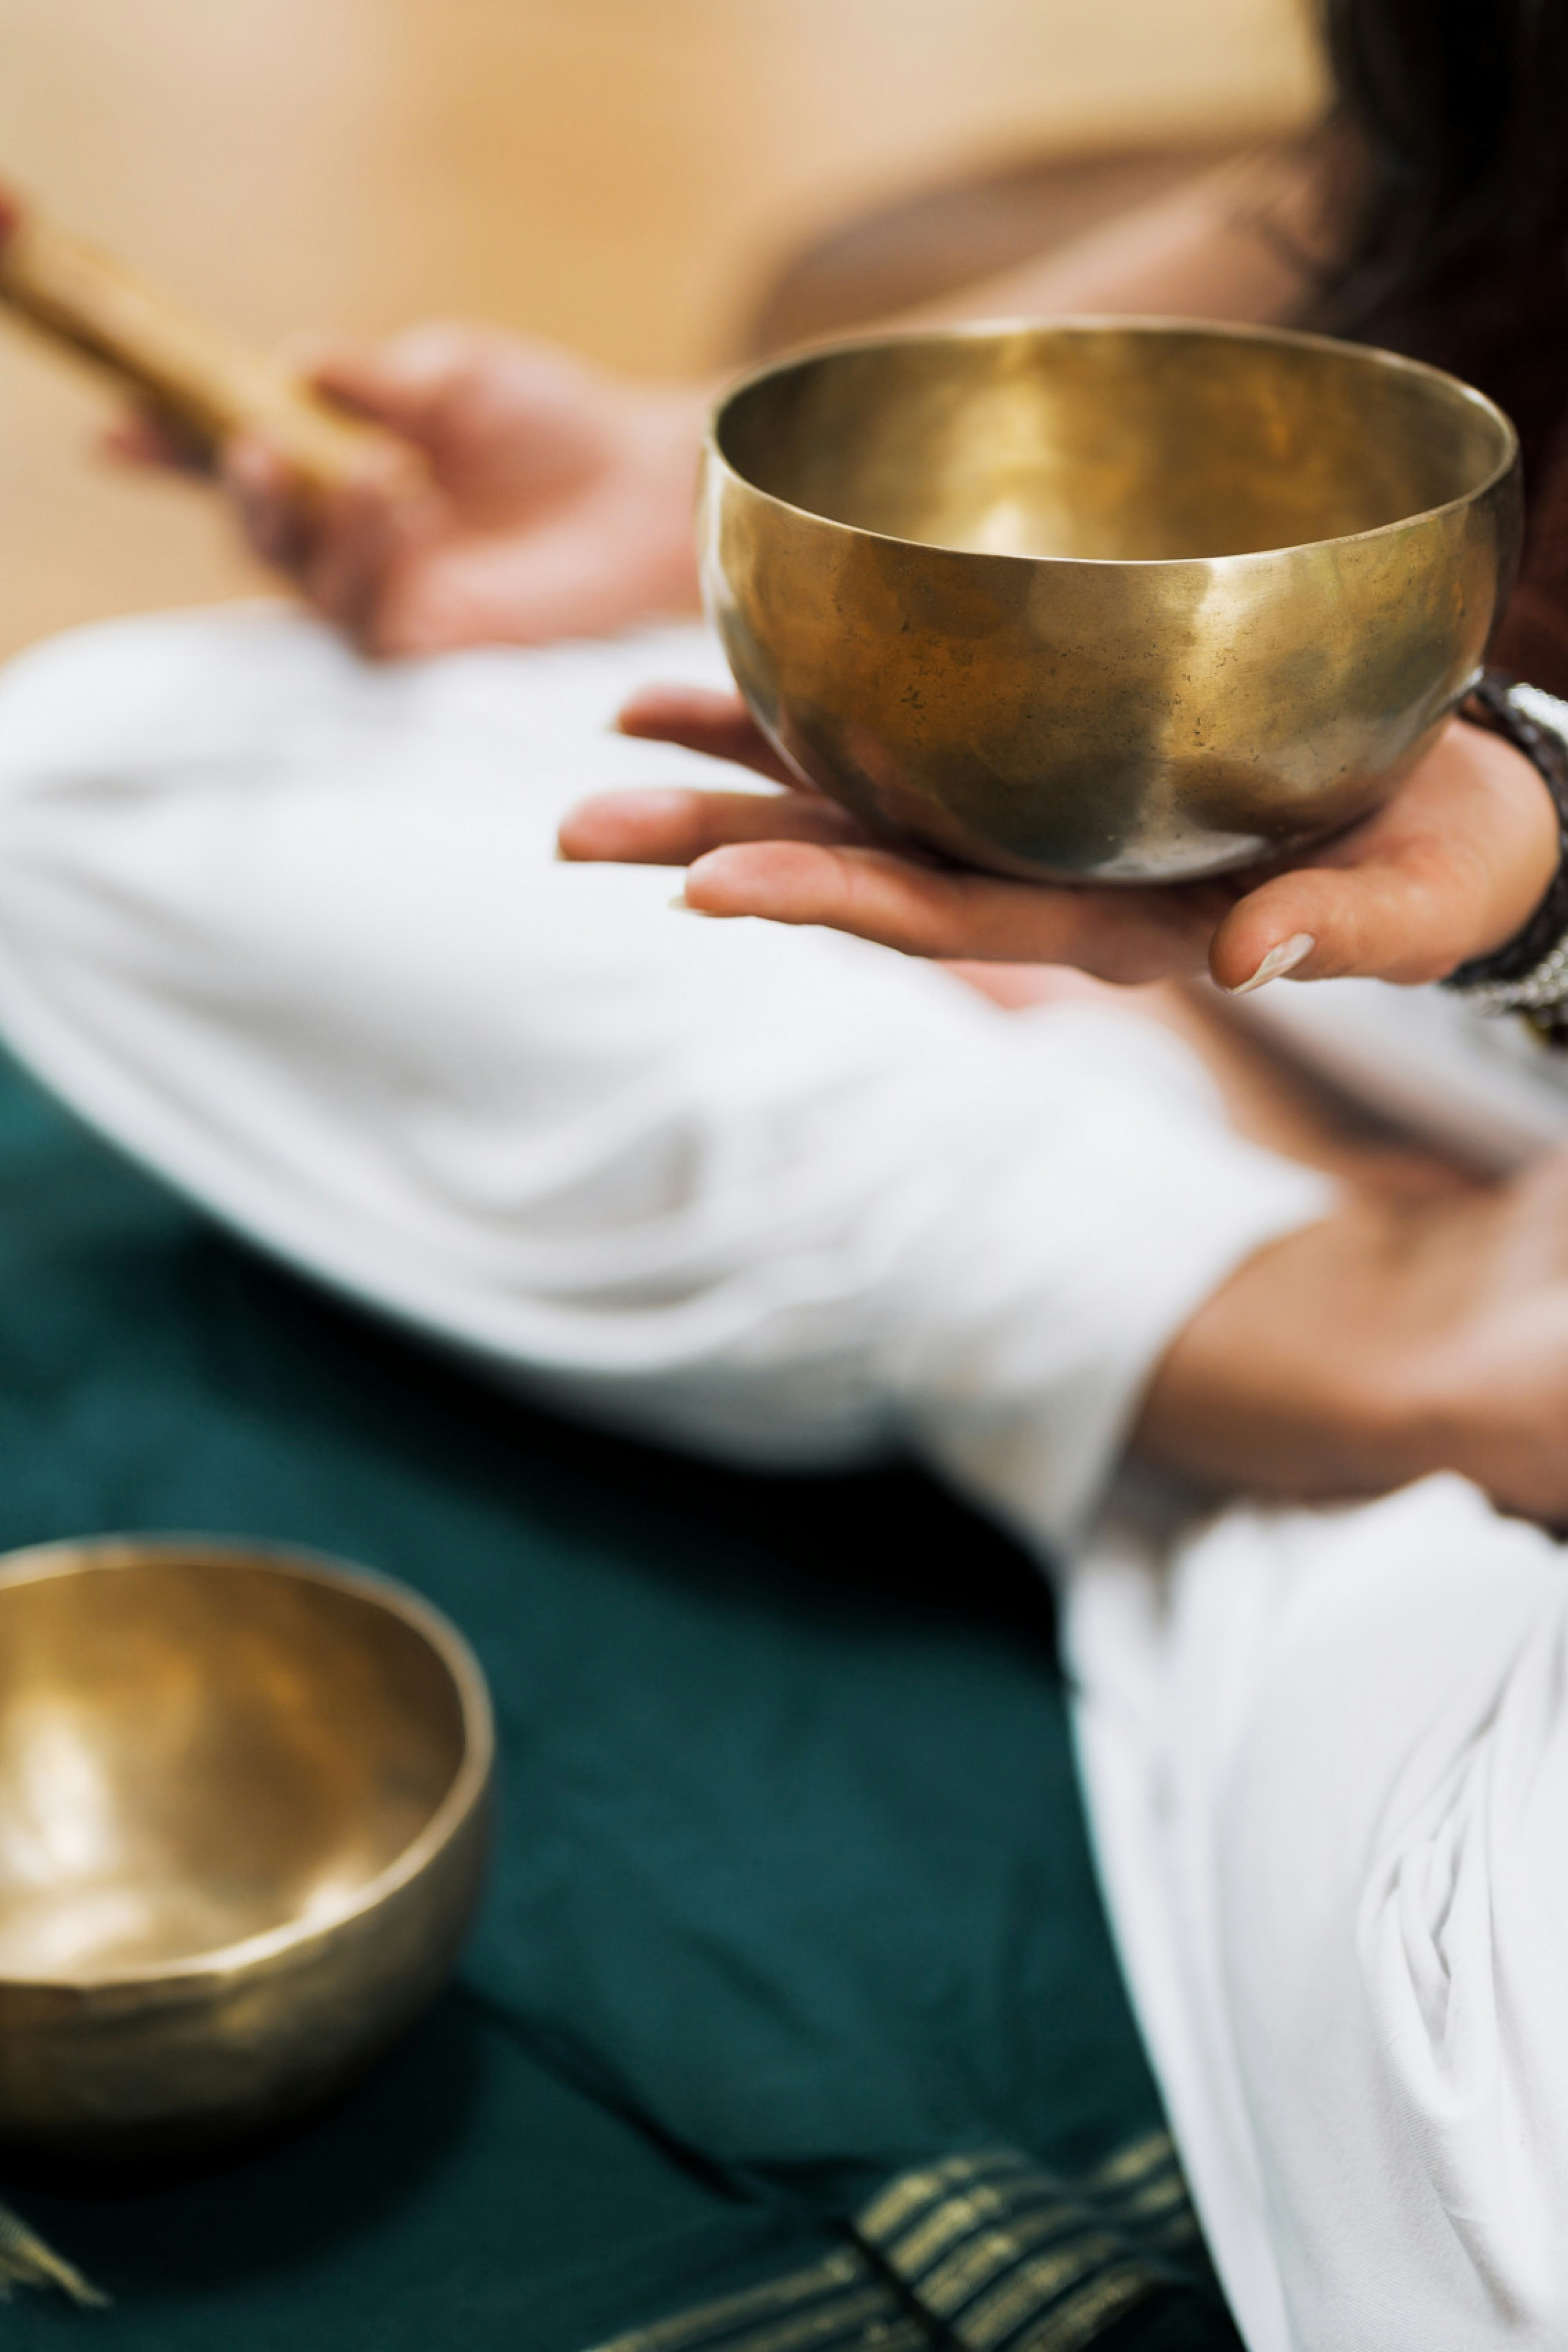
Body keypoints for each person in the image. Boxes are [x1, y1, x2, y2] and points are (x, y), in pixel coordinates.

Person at [9, 1, 1567, 2342]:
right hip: (1461, 875)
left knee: (1490, 2165)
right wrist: (717, 514)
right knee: (118, 777)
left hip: (1465, 916)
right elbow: (1419, 171)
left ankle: (1229, 1355)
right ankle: (1307, 1312)